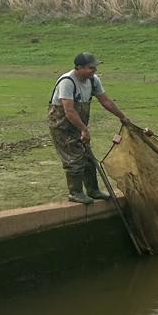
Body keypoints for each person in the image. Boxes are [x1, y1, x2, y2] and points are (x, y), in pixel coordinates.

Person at [48, 52, 129, 204]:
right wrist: (84, 129)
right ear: (79, 68)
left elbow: (105, 101)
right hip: (62, 125)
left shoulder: (93, 80)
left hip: (78, 123)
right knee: (74, 158)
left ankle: (93, 190)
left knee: (88, 157)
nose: (94, 71)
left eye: (94, 68)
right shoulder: (67, 81)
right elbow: (69, 111)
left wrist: (122, 116)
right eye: (91, 68)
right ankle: (75, 192)